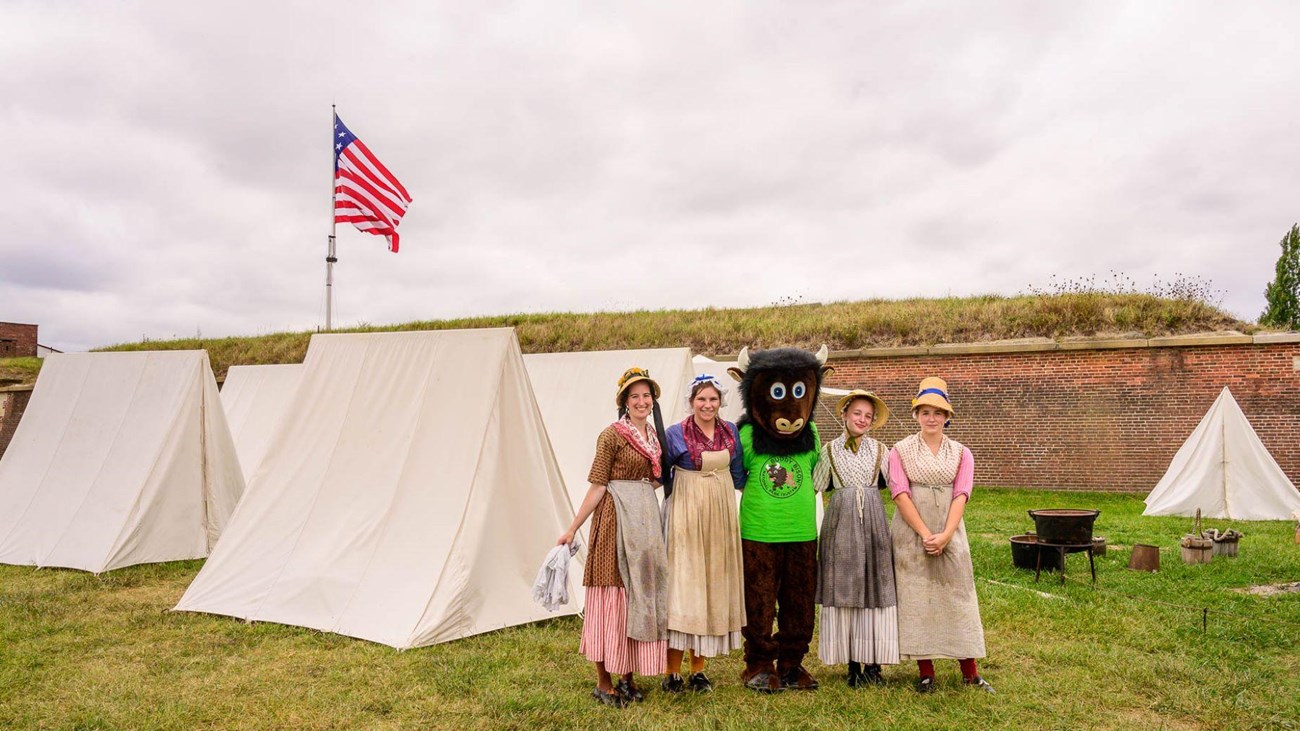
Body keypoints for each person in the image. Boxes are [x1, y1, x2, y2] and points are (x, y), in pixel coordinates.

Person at [557, 368, 669, 708]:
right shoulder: (611, 435)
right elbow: (598, 484)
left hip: (644, 520)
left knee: (637, 592)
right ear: (624, 401)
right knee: (612, 593)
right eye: (634, 396)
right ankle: (604, 680)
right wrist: (573, 527)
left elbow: (657, 478)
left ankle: (628, 675)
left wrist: (645, 495)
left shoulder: (653, 436)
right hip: (614, 519)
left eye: (646, 395)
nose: (641, 401)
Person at [887, 377, 994, 694]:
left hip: (950, 532)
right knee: (917, 599)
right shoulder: (901, 450)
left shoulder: (962, 454)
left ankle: (970, 672)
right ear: (916, 414)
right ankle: (926, 672)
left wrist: (946, 534)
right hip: (911, 534)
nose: (931, 418)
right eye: (925, 412)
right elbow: (899, 492)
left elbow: (961, 494)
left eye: (938, 412)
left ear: (948, 417)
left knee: (959, 598)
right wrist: (924, 533)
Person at [659, 374, 747, 693]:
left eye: (712, 399)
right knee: (685, 586)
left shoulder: (730, 431)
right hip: (686, 508)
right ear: (691, 402)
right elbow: (662, 472)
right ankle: (672, 671)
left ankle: (698, 669)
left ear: (720, 401)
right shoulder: (674, 434)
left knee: (710, 585)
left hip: (720, 511)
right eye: (701, 399)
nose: (707, 405)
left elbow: (737, 474)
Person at [812, 389, 899, 687]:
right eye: (857, 413)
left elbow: (897, 484)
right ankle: (852, 663)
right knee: (846, 587)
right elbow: (817, 485)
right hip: (841, 523)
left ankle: (874, 663)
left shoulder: (881, 451)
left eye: (868, 416)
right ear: (845, 414)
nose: (862, 419)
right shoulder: (829, 450)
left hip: (873, 521)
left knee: (875, 584)